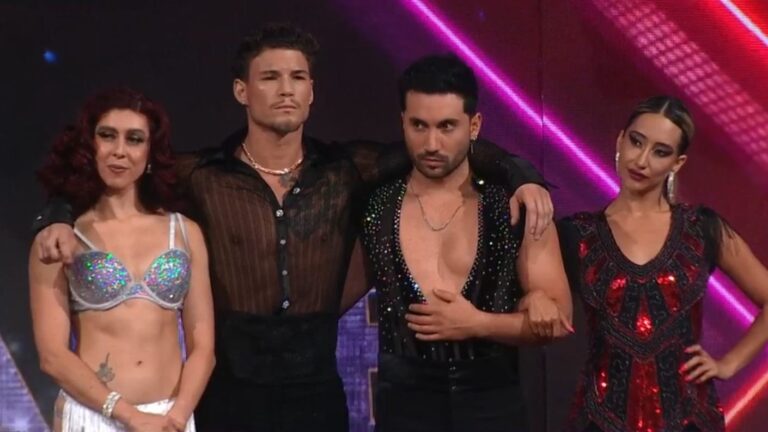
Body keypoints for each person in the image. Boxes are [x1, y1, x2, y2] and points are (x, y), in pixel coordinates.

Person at [32, 24, 554, 431]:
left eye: (298, 77)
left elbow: (442, 146)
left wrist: (522, 175)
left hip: (317, 398)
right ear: (241, 90)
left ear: (312, 92)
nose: (286, 90)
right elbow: (115, 171)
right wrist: (55, 215)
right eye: (270, 77)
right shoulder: (203, 175)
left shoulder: (348, 169)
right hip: (228, 399)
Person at [354, 54, 573, 432]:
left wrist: (479, 323)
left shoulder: (513, 206)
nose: (431, 143)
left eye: (447, 126)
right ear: (402, 122)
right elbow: (328, 301)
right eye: (419, 125)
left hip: (493, 405)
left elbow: (559, 323)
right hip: (403, 407)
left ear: (474, 126)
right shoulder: (377, 204)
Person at [559, 96, 768, 432]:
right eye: (636, 142)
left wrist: (729, 364)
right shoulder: (578, 234)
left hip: (688, 419)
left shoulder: (701, 228)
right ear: (620, 140)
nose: (641, 160)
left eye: (660, 152)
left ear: (677, 162)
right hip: (600, 419)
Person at [29, 88, 215, 432]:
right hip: (93, 415)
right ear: (89, 145)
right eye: (107, 135)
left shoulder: (184, 232)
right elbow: (52, 356)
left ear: (150, 152)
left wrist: (176, 418)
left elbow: (203, 347)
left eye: (134, 139)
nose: (119, 151)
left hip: (169, 418)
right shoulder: (59, 238)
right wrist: (130, 416)